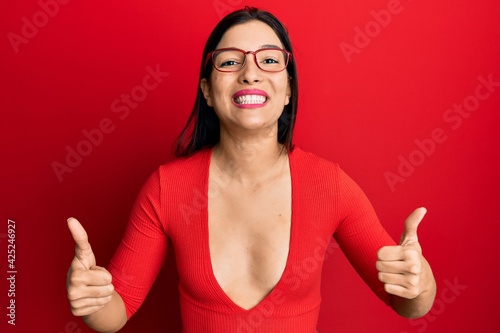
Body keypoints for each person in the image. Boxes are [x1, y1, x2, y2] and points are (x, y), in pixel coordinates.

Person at [66, 7, 436, 333]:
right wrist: (93, 300)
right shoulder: (168, 188)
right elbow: (117, 313)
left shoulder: (329, 185)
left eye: (270, 60)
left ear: (288, 89)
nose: (250, 73)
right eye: (229, 61)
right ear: (208, 91)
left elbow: (407, 303)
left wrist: (419, 282)